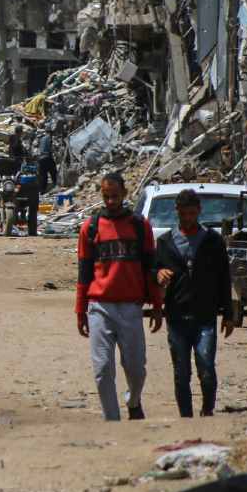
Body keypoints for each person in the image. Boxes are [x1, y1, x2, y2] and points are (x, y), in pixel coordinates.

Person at [75, 172, 163, 421]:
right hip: (99, 307)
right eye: (106, 197)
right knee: (103, 369)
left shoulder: (139, 226)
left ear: (124, 194)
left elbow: (150, 268)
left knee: (136, 369)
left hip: (130, 307)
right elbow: (83, 273)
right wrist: (80, 311)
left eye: (115, 196)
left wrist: (157, 305)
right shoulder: (90, 228)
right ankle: (111, 420)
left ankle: (133, 401)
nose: (111, 201)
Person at [155, 189, 234, 417]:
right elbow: (152, 271)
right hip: (177, 317)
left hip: (205, 316)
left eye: (192, 213)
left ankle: (207, 411)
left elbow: (223, 278)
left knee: (206, 367)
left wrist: (229, 314)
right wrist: (158, 274)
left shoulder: (212, 241)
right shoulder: (165, 242)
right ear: (177, 212)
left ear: (198, 212)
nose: (188, 218)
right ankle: (186, 417)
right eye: (184, 214)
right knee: (181, 372)